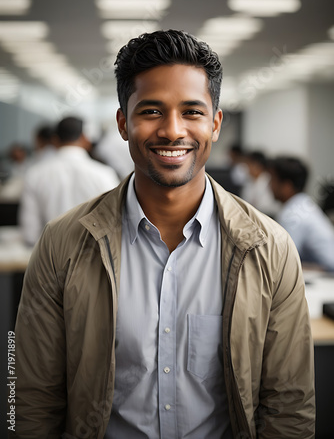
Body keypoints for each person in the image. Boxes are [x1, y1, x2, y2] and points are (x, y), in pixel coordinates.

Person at [12, 30, 315, 439]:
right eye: (151, 111)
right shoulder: (62, 243)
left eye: (192, 112)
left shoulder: (271, 248)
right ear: (123, 123)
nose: (173, 131)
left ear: (216, 123)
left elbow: (289, 406)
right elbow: (31, 398)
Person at [19, 116, 120, 246]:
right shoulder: (104, 174)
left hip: (49, 257)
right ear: (84, 138)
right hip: (94, 257)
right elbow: (114, 225)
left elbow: (30, 233)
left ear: (55, 140)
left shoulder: (34, 174)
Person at [270, 156, 334, 272]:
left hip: (328, 278)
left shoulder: (293, 215)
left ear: (287, 186)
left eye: (272, 180)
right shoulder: (303, 204)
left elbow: (281, 261)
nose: (269, 185)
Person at [242, 150, 280, 218]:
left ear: (257, 165)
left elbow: (269, 207)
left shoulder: (269, 181)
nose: (246, 168)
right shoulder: (248, 182)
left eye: (248, 165)